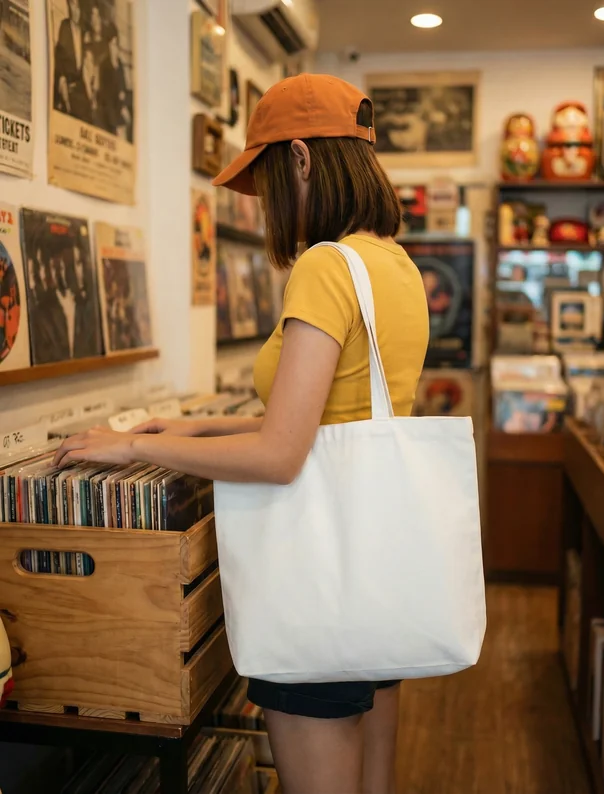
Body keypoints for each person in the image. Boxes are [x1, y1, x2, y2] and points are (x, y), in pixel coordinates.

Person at [54, 73, 429, 794]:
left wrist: (130, 447)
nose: (268, 211)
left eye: (266, 181)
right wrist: (192, 425)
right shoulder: (393, 263)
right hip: (377, 564)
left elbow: (281, 453)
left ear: (300, 158)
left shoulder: (326, 266)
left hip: (319, 581)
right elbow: (334, 415)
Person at [54, 0, 84, 119]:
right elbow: (59, 55)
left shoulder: (82, 32)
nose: (75, 10)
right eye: (73, 5)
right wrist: (62, 80)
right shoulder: (65, 26)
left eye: (78, 7)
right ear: (69, 7)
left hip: (79, 88)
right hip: (67, 85)